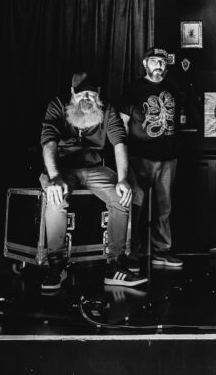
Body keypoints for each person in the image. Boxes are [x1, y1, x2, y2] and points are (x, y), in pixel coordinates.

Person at [39, 71, 147, 291]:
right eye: (81, 94)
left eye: (90, 94)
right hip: (63, 168)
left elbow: (119, 142)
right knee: (55, 198)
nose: (86, 98)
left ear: (97, 93)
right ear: (72, 93)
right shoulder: (58, 105)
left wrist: (123, 179)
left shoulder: (106, 108)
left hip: (94, 168)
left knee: (122, 197)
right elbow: (49, 141)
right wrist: (54, 177)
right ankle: (56, 264)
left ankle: (114, 265)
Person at [120, 47, 183, 269]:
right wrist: (123, 156)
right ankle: (131, 252)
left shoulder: (172, 88)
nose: (159, 65)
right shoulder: (133, 89)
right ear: (145, 63)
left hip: (168, 158)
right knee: (136, 205)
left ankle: (161, 251)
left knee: (164, 207)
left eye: (163, 62)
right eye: (154, 61)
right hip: (140, 158)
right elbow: (122, 124)